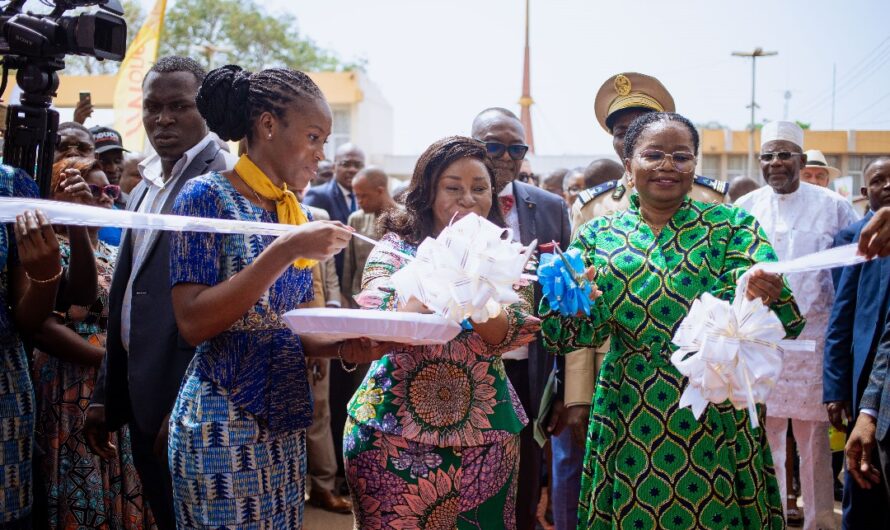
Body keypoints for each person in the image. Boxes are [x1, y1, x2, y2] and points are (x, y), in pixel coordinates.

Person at [542, 111, 805, 529]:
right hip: (629, 404)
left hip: (713, 402)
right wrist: (576, 304)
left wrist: (759, 294)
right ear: (629, 166)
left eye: (681, 156)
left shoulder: (733, 225)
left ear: (695, 165)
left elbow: (784, 314)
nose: (668, 165)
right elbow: (569, 335)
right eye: (654, 155)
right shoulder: (597, 235)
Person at [166, 63, 385, 528]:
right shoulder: (206, 197)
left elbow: (299, 325)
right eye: (313, 137)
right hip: (222, 420)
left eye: (324, 141)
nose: (320, 155)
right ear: (268, 125)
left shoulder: (294, 211)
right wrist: (285, 250)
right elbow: (193, 322)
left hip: (284, 422)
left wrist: (350, 344)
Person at [556, 73, 728, 530]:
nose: (627, 137)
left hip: (700, 377)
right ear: (619, 143)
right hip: (622, 378)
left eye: (642, 124)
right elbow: (579, 298)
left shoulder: (712, 201)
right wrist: (578, 394)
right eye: (620, 131)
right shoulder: (593, 209)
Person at [344, 135, 540, 528]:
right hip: (390, 432)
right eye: (453, 188)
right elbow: (378, 315)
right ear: (427, 193)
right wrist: (432, 279)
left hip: (487, 437)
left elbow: (511, 332)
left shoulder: (505, 256)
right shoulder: (394, 250)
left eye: (479, 188)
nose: (468, 199)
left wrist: (474, 286)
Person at [82, 56, 236, 530]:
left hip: (185, 407)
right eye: (153, 107)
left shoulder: (223, 181)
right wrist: (107, 393)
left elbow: (225, 311)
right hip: (141, 398)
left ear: (205, 109)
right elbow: (130, 295)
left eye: (178, 106)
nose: (162, 119)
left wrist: (187, 403)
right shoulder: (148, 180)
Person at [736, 120, 860, 530]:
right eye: (768, 155)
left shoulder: (833, 206)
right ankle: (767, 517)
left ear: (801, 160)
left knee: (813, 442)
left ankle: (819, 520)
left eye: (784, 154)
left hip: (815, 341)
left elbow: (845, 276)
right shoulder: (746, 209)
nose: (775, 162)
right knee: (765, 436)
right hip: (762, 341)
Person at [31, 157, 153, 528]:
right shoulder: (51, 250)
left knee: (119, 473)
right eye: (91, 191)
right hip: (72, 385)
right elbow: (55, 318)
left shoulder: (118, 254)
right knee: (82, 478)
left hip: (116, 382)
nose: (102, 197)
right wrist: (106, 360)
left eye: (109, 191)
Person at [471, 107, 571, 530]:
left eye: (516, 148)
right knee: (469, 484)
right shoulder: (448, 200)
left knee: (525, 486)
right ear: (474, 145)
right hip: (464, 368)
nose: (505, 157)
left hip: (528, 372)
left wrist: (564, 384)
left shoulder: (551, 208)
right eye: (494, 146)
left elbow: (567, 303)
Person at [823, 156, 890, 528]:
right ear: (866, 192)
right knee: (863, 475)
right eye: (880, 180)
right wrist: (835, 386)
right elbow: (841, 315)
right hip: (865, 379)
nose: (889, 186)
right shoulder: (855, 238)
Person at [300, 201, 353, 515]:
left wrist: (328, 324)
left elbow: (329, 279)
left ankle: (323, 486)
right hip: (279, 330)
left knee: (319, 410)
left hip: (319, 329)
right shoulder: (260, 212)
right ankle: (293, 489)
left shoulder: (316, 217)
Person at [342, 166, 397, 307]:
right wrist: (347, 298)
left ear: (380, 191)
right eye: (356, 196)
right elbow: (349, 265)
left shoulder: (407, 219)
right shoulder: (356, 219)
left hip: (396, 303)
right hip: (361, 302)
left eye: (363, 196)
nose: (359, 201)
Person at [90, 126, 129, 245]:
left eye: (117, 160)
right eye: (103, 161)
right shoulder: (76, 204)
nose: (112, 169)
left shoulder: (133, 204)